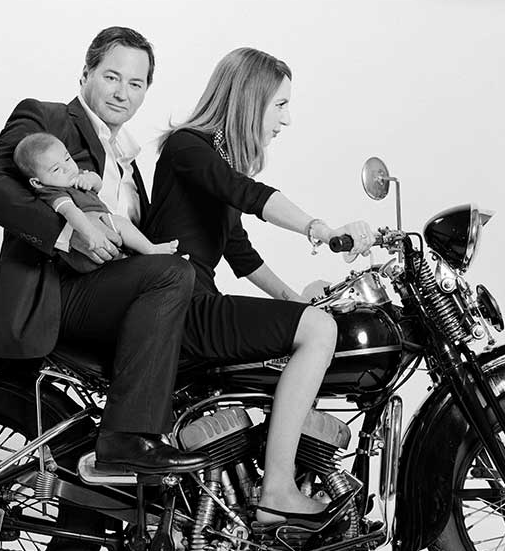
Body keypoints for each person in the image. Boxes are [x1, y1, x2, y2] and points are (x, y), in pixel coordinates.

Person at [146, 47, 375, 523]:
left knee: (314, 322)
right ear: (250, 100)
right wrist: (321, 229)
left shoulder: (216, 159)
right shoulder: (187, 148)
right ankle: (277, 491)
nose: (287, 120)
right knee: (318, 334)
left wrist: (298, 300)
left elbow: (239, 252)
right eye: (281, 105)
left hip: (192, 302)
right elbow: (246, 196)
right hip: (180, 307)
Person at [0, 26, 203, 474]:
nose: (122, 93)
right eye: (112, 77)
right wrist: (68, 233)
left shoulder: (129, 161)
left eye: (136, 84)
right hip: (56, 295)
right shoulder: (47, 118)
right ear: (86, 74)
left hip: (111, 299)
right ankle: (127, 439)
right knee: (170, 273)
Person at [13, 132, 178, 273]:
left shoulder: (76, 175)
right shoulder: (52, 192)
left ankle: (144, 254)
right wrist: (90, 233)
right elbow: (71, 212)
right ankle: (150, 250)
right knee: (118, 224)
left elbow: (98, 183)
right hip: (88, 249)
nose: (68, 168)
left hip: (105, 229)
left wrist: (89, 179)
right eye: (56, 169)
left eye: (67, 159)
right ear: (37, 182)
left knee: (118, 227)